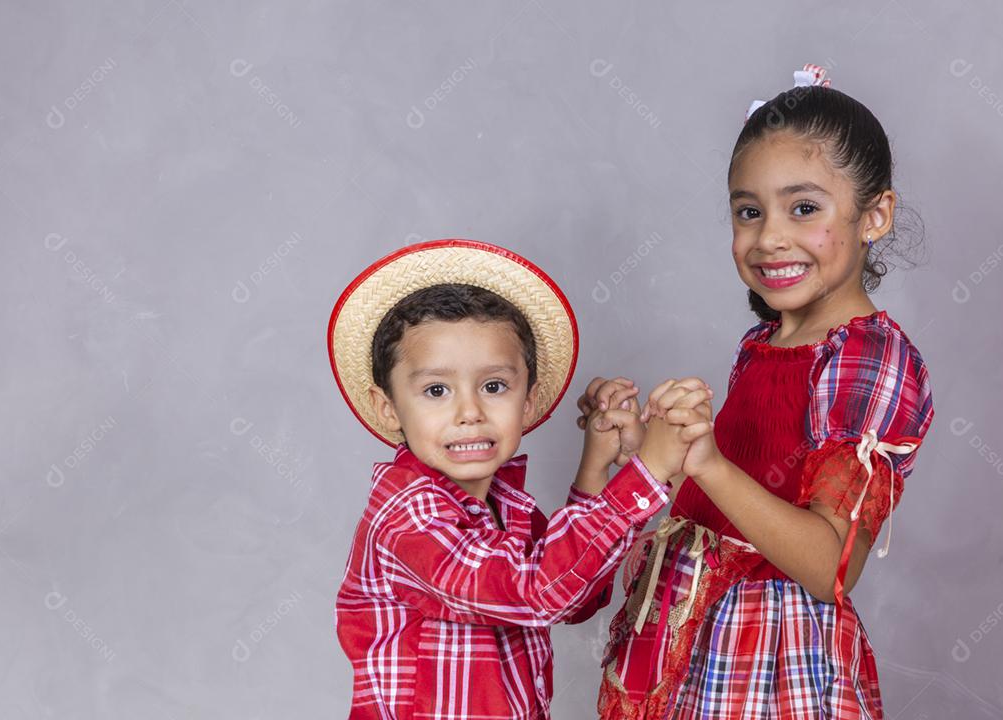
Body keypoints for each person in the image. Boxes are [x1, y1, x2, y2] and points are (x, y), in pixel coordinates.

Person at [580, 66, 936, 718]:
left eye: (804, 208)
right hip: (694, 627)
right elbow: (734, 488)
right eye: (749, 211)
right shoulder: (763, 341)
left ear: (875, 215)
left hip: (769, 654)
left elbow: (830, 566)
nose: (769, 236)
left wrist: (705, 461)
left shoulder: (869, 360)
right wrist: (641, 441)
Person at [327, 239, 706, 719]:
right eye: (436, 390)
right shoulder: (409, 515)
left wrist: (595, 465)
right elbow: (537, 589)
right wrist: (646, 472)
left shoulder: (504, 503)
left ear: (527, 402)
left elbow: (574, 600)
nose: (469, 412)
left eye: (494, 386)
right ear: (388, 408)